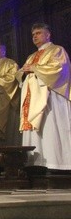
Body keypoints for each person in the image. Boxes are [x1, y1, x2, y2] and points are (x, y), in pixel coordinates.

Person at [16, 23, 71, 170]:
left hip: (50, 98)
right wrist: (24, 72)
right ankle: (36, 163)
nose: (35, 36)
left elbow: (59, 69)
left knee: (49, 128)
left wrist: (33, 68)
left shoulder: (57, 50)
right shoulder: (31, 56)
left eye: (38, 33)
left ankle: (56, 164)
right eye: (33, 34)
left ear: (48, 34)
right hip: (31, 97)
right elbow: (20, 74)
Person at [0, 42, 20, 144]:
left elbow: (12, 80)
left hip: (4, 103)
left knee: (5, 134)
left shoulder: (10, 64)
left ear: (3, 51)